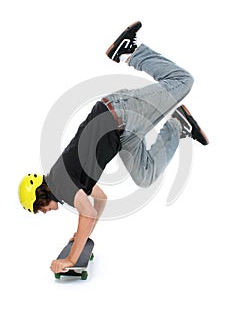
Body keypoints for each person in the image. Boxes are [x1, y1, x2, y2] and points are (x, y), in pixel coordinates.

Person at [18, 21, 209, 274]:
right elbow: (99, 201)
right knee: (145, 176)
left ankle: (130, 51)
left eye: (38, 209)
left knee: (183, 81)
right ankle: (178, 124)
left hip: (120, 112)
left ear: (40, 196)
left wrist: (71, 259)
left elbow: (87, 213)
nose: (43, 213)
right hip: (123, 133)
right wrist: (81, 236)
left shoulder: (61, 184)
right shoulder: (65, 183)